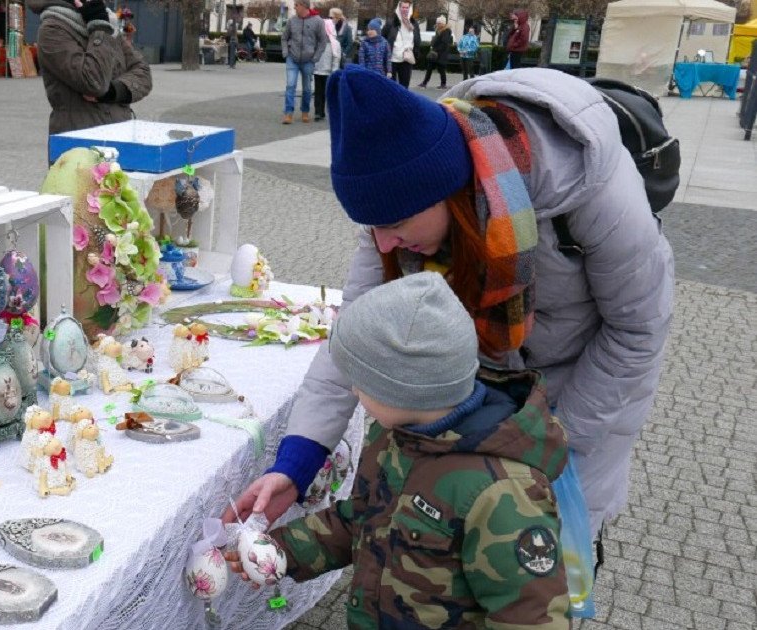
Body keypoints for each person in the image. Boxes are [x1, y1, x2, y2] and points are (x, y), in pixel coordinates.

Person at [228, 65, 673, 558]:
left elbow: (637, 331)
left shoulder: (588, 186)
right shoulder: (394, 205)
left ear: (449, 191)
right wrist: (296, 463)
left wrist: (548, 444)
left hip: (579, 401)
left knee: (544, 565)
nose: (383, 244)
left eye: (394, 225)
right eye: (372, 227)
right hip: (478, 398)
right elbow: (353, 334)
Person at [228, 273, 570, 628]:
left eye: (362, 382)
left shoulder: (501, 493)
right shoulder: (395, 438)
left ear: (404, 390)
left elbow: (531, 617)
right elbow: (363, 518)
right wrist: (286, 549)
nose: (354, 391)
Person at [28, 0, 152, 136]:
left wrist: (114, 92)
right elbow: (94, 82)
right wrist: (99, 27)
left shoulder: (107, 23)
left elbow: (143, 72)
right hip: (79, 140)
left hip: (119, 135)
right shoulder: (53, 29)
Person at [281, 0, 327, 124]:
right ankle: (288, 113)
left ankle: (305, 111)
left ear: (304, 6)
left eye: (296, 5)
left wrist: (315, 57)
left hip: (309, 60)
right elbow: (284, 37)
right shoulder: (292, 20)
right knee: (290, 85)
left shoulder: (318, 21)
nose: (294, 7)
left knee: (307, 88)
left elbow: (323, 41)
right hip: (292, 58)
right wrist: (286, 53)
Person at [311, 12, 342, 121]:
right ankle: (318, 112)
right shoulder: (317, 42)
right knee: (318, 92)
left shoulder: (335, 44)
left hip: (329, 72)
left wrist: (334, 71)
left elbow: (336, 58)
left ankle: (328, 112)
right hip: (317, 71)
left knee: (327, 92)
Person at [382, 1, 420, 87]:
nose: (405, 9)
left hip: (407, 59)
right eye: (403, 7)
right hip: (392, 59)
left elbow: (417, 40)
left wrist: (416, 54)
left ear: (410, 9)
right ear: (399, 8)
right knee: (391, 87)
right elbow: (383, 38)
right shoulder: (391, 23)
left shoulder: (414, 24)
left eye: (407, 7)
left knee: (404, 86)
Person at [419, 15, 452, 89]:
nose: (437, 24)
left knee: (441, 69)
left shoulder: (446, 31)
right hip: (435, 54)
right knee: (429, 68)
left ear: (443, 23)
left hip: (441, 54)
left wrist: (436, 49)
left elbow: (444, 43)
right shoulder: (438, 30)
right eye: (437, 23)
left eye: (439, 23)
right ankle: (424, 83)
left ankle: (443, 84)